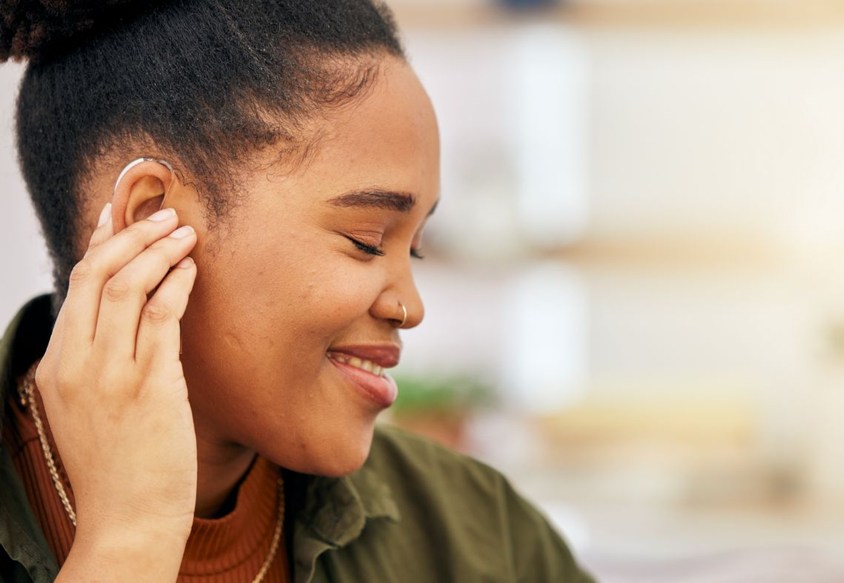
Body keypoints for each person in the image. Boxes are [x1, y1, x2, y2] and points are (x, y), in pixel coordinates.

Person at [0, 1, 596, 581]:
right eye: (366, 240)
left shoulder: (479, 535)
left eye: (413, 248)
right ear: (152, 220)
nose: (410, 308)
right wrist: (129, 540)